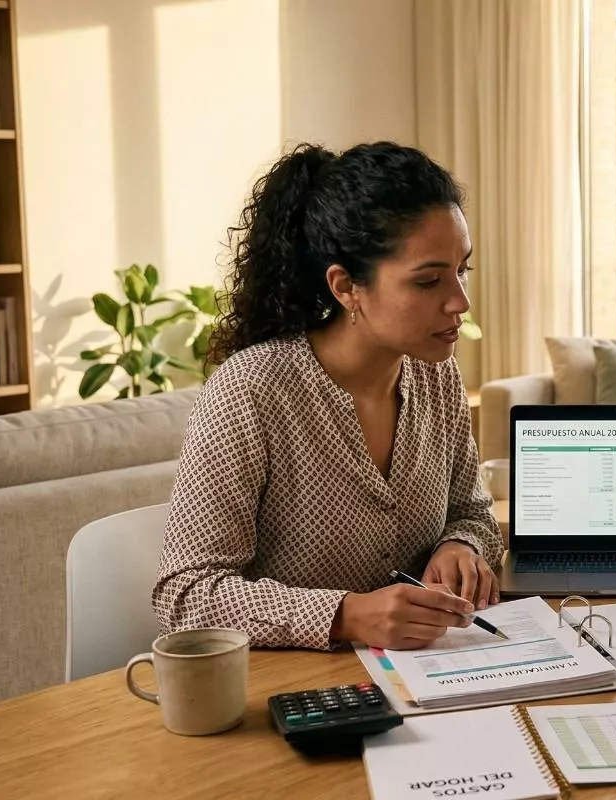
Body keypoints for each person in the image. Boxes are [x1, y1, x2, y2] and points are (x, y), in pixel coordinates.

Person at [152, 141, 502, 652]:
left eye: (461, 270)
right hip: (293, 696)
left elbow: (472, 511)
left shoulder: (437, 376)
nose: (460, 302)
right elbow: (184, 594)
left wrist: (461, 545)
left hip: (424, 681)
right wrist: (345, 616)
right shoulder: (252, 392)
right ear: (345, 287)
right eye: (428, 281)